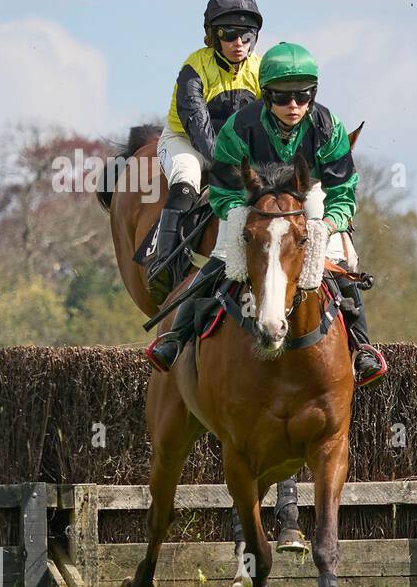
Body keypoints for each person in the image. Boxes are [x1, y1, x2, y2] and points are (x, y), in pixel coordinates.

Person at [145, 42, 388, 388]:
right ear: (266, 94)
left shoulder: (328, 126)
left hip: (308, 195)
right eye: (282, 98)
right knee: (226, 253)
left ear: (312, 95)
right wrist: (239, 215)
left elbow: (343, 190)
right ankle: (175, 338)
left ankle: (363, 347)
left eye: (302, 97)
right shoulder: (238, 127)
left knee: (339, 258)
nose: (293, 106)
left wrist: (328, 224)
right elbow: (225, 185)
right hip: (252, 199)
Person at [148, 0, 264, 293]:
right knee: (186, 179)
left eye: (247, 35)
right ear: (213, 36)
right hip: (185, 141)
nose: (239, 43)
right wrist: (226, 168)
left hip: (237, 150)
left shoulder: (260, 71)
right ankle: (165, 261)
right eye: (229, 34)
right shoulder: (194, 69)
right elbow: (199, 129)